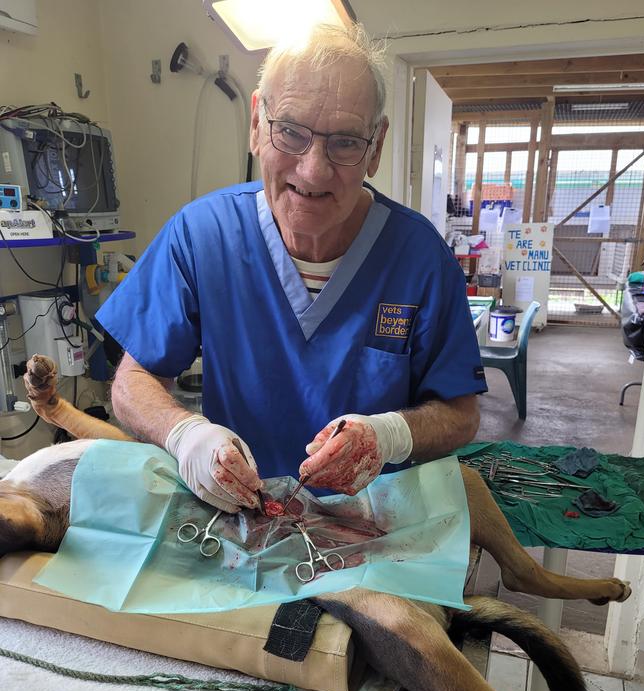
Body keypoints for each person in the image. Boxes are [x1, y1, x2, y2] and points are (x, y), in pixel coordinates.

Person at [96, 23, 487, 513]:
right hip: (242, 517)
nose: (313, 170)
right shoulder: (202, 236)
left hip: (377, 527)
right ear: (258, 124)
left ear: (377, 145)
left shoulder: (421, 258)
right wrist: (185, 436)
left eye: (345, 142)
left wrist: (390, 435)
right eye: (291, 132)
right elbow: (133, 381)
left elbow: (461, 413)